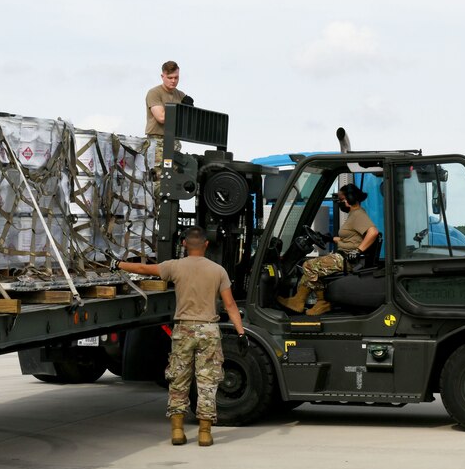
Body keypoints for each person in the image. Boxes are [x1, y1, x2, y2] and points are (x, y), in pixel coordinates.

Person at [112, 226, 245, 447]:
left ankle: (177, 431)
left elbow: (144, 268)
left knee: (179, 380)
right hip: (209, 331)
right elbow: (230, 305)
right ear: (206, 244)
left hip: (183, 330)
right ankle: (204, 433)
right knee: (208, 382)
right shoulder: (218, 270)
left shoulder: (174, 266)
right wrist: (240, 332)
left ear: (184, 244)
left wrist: (118, 265)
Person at [278, 183, 379, 316]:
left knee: (309, 266)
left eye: (340, 199)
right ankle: (302, 300)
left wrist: (358, 251)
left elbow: (373, 232)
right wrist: (330, 239)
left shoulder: (358, 215)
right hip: (344, 255)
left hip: (347, 259)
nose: (338, 202)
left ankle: (317, 301)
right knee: (310, 265)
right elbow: (351, 239)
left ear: (349, 200)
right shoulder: (354, 214)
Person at [145, 61, 192, 199]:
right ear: (162, 76)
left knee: (174, 181)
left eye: (176, 77)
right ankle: (157, 214)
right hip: (158, 141)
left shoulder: (180, 95)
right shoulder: (154, 93)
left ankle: (169, 216)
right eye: (170, 77)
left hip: (175, 143)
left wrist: (190, 109)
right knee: (160, 182)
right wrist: (182, 110)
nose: (173, 81)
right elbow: (161, 117)